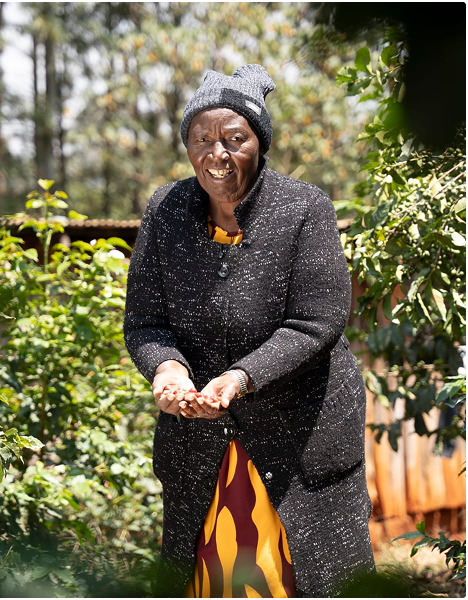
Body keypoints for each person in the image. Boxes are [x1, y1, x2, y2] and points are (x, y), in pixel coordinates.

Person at [124, 64, 375, 598]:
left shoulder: (304, 207)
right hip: (201, 444)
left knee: (304, 577)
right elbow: (146, 320)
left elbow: (317, 320)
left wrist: (240, 377)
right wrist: (167, 370)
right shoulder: (166, 211)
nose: (217, 154)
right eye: (202, 139)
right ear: (188, 145)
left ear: (259, 143)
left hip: (300, 439)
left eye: (235, 139)